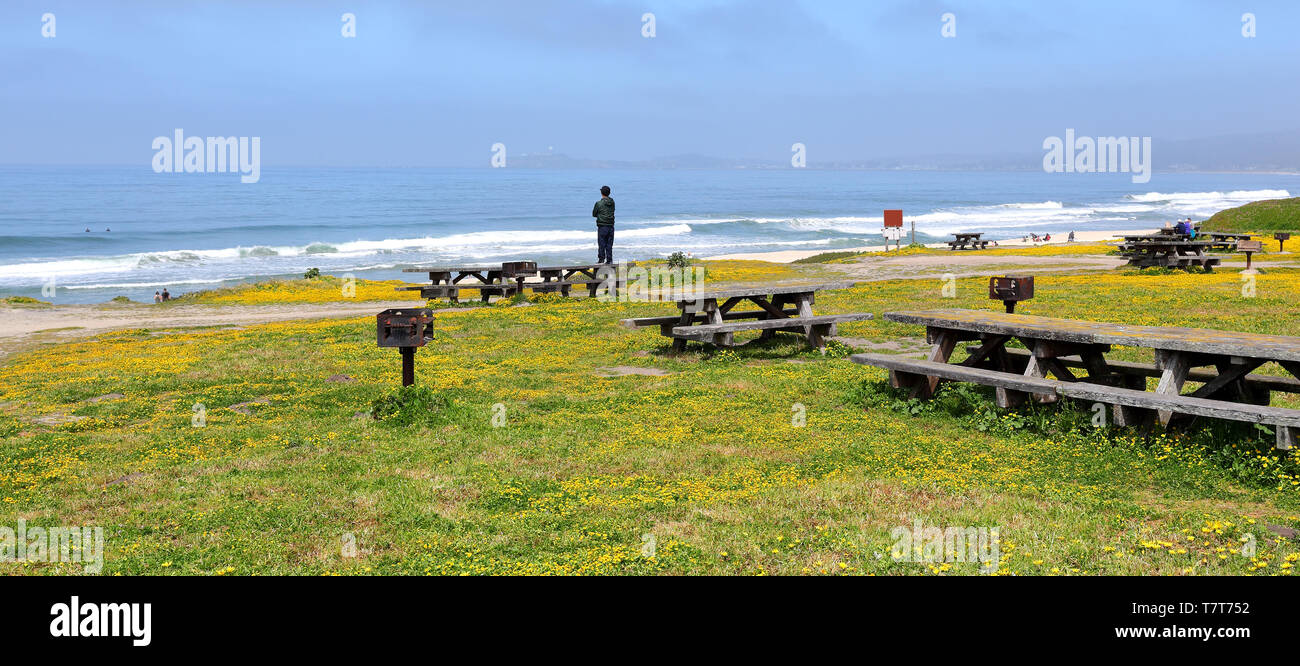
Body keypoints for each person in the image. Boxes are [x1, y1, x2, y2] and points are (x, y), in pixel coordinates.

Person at [592, 185, 615, 264]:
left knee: (602, 243)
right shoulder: (612, 202)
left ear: (601, 193)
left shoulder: (598, 203)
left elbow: (594, 214)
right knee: (609, 244)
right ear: (609, 193)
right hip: (611, 226)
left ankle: (601, 259)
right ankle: (609, 260)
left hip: (602, 226)